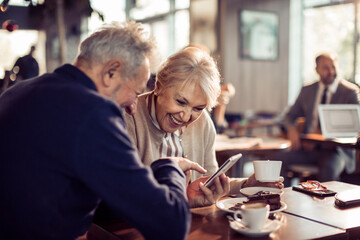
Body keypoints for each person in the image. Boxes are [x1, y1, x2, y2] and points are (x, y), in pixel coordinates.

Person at [0, 21, 208, 240]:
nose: (132, 106)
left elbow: (102, 192)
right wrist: (170, 166)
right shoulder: (92, 113)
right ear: (111, 72)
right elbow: (171, 225)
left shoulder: (17, 92)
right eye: (136, 92)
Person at [124, 47, 283, 208]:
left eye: (198, 108)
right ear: (159, 86)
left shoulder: (203, 122)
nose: (186, 118)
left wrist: (246, 185)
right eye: (180, 102)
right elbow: (122, 191)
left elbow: (210, 181)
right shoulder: (129, 116)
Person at [276, 52, 360, 186]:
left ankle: (324, 206)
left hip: (336, 151)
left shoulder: (350, 92)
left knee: (328, 170)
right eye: (326, 68)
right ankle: (283, 200)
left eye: (333, 66)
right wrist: (292, 130)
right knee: (277, 160)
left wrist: (319, 136)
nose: (331, 71)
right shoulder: (307, 90)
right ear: (317, 70)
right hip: (309, 149)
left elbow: (355, 126)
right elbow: (289, 115)